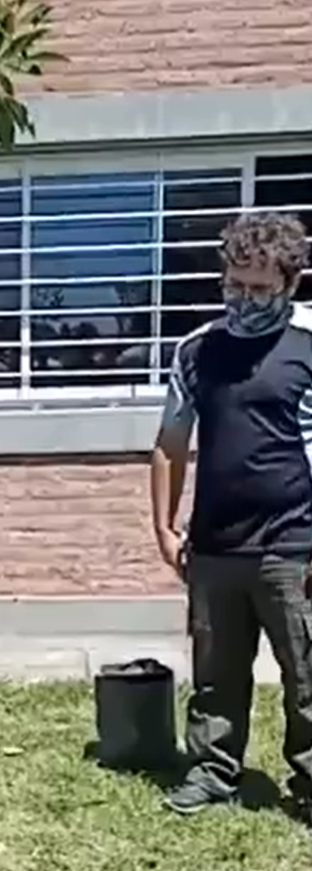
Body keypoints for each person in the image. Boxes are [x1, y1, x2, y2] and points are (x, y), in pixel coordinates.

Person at [151, 209, 312, 817]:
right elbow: (169, 444)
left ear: (290, 285)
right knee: (216, 675)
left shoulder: (306, 349)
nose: (244, 300)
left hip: (294, 543)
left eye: (260, 289)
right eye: (234, 285)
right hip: (215, 546)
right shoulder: (197, 351)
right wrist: (165, 529)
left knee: (307, 674)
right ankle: (214, 769)